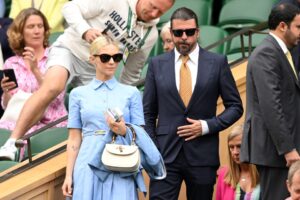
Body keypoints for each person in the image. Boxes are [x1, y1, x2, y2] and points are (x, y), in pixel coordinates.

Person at [0, 0, 174, 160]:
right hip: (70, 49)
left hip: (96, 67)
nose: (153, 13)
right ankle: (11, 143)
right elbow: (69, 8)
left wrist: (118, 99)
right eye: (152, 6)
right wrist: (85, 30)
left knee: (98, 114)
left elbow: (131, 74)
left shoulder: (149, 35)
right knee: (53, 86)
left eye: (159, 12)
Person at [143, 7, 243, 200]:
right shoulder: (156, 64)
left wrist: (206, 126)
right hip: (164, 156)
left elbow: (235, 106)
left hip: (203, 156)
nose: (184, 37)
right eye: (178, 33)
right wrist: (153, 150)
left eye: (189, 32)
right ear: (171, 34)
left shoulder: (217, 62)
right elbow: (147, 113)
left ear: (197, 32)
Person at [61, 35, 166, 200]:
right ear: (92, 59)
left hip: (121, 160)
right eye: (105, 57)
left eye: (116, 57)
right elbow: (74, 140)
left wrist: (124, 130)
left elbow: (141, 134)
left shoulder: (132, 93)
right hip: (88, 160)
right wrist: (69, 175)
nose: (111, 62)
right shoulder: (77, 94)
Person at [240, 3, 300, 200]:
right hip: (277, 153)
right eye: (298, 27)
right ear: (283, 26)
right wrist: (288, 149)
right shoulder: (267, 52)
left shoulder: (279, 52)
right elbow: (271, 106)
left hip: (280, 151)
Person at [0, 8, 67, 161]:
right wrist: (6, 92)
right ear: (20, 32)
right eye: (31, 27)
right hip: (19, 121)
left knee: (16, 137)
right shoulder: (11, 62)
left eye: (40, 26)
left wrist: (36, 70)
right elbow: (7, 107)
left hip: (51, 122)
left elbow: (57, 96)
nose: (37, 31)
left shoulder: (55, 56)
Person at [216, 124, 260, 200]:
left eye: (239, 146)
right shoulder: (224, 175)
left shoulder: (264, 173)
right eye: (231, 147)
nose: (235, 152)